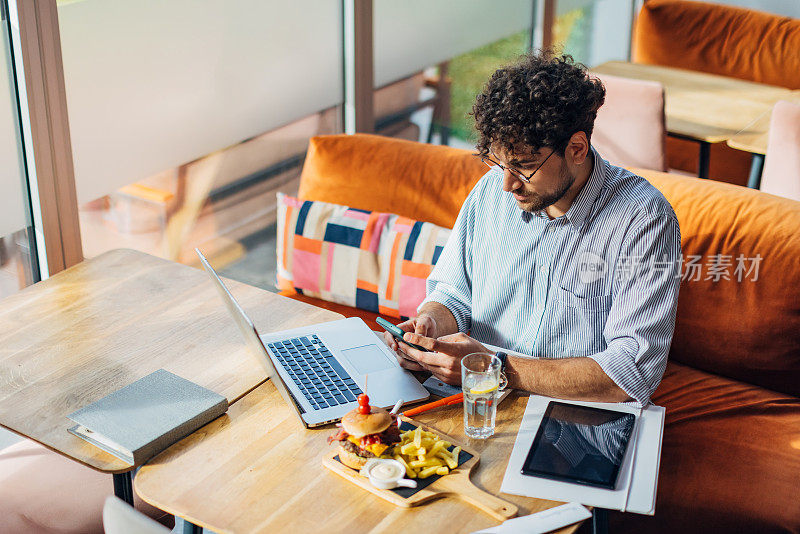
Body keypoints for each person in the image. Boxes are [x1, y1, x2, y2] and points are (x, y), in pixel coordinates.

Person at [381, 51, 681, 406]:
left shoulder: (643, 220)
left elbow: (631, 373)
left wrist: (494, 368)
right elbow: (455, 294)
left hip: (572, 417)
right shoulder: (490, 192)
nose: (507, 185)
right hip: (474, 400)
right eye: (499, 163)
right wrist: (429, 327)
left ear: (577, 148)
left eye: (524, 167)